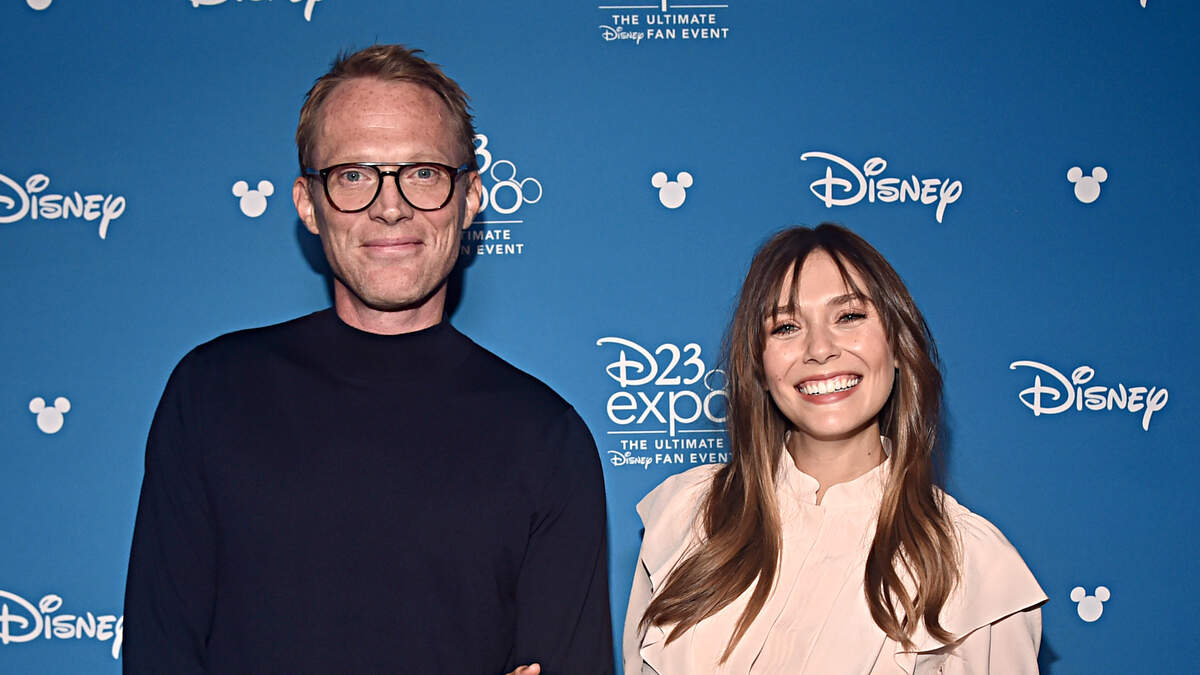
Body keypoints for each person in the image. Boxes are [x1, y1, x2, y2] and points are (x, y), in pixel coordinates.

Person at [124, 45, 612, 674]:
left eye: (423, 172)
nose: (390, 205)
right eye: (354, 175)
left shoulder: (547, 438)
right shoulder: (212, 394)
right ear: (308, 202)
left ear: (469, 198)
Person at [622, 224, 1046, 673]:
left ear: (897, 345)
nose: (820, 349)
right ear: (759, 366)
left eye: (849, 317)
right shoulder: (687, 513)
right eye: (787, 327)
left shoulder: (970, 563)